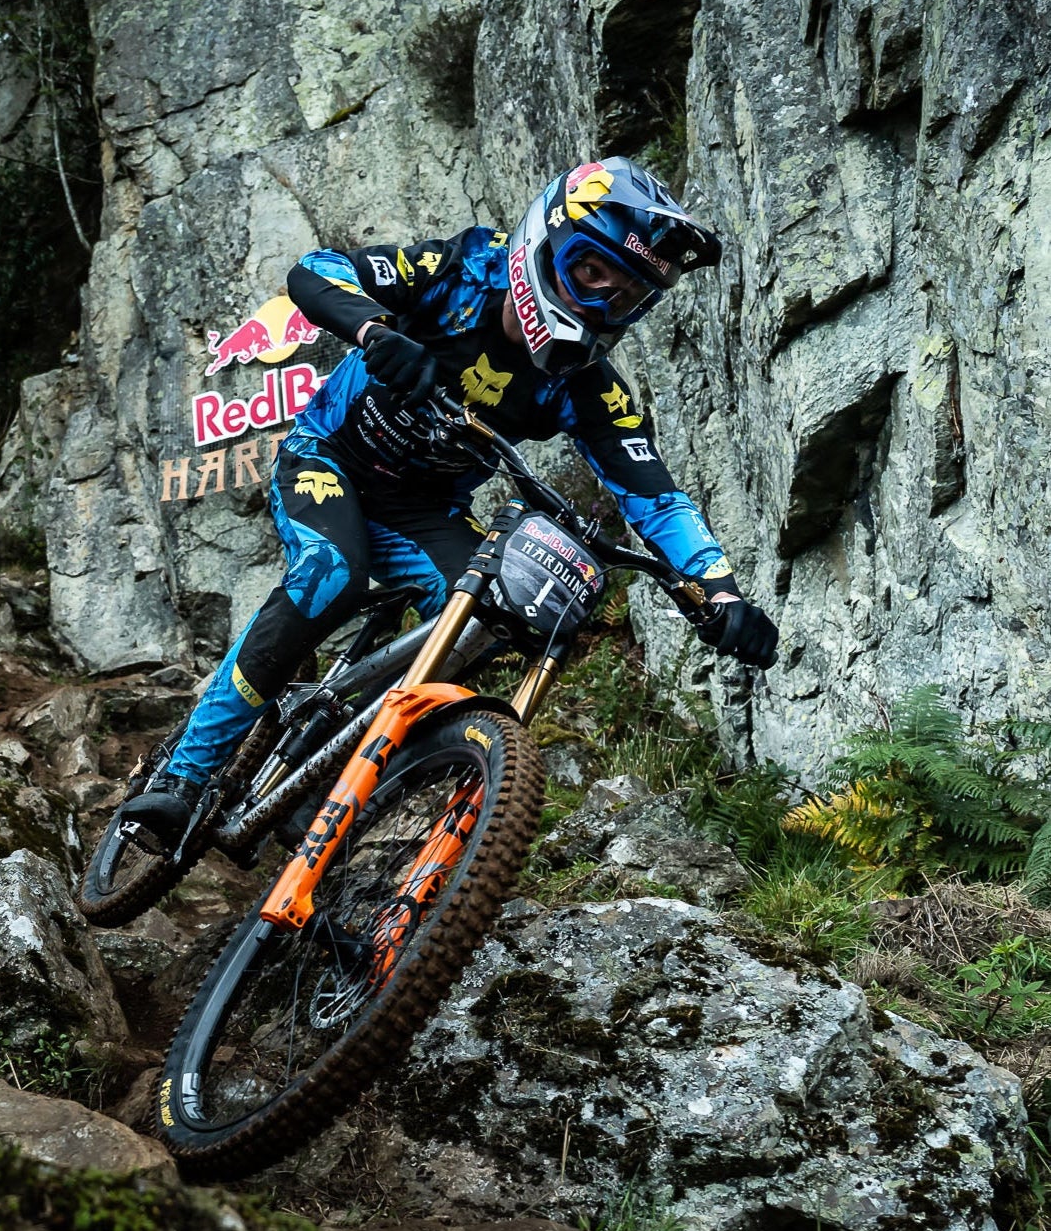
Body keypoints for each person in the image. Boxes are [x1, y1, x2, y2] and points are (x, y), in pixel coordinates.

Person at [124, 157, 779, 849]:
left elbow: (657, 496)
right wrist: (378, 332)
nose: (597, 304)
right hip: (330, 458)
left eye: (621, 298)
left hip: (423, 507)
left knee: (490, 616)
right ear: (547, 241)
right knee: (329, 572)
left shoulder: (588, 387)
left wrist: (721, 592)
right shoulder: (459, 272)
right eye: (591, 273)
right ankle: (182, 776)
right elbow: (315, 272)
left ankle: (327, 758)